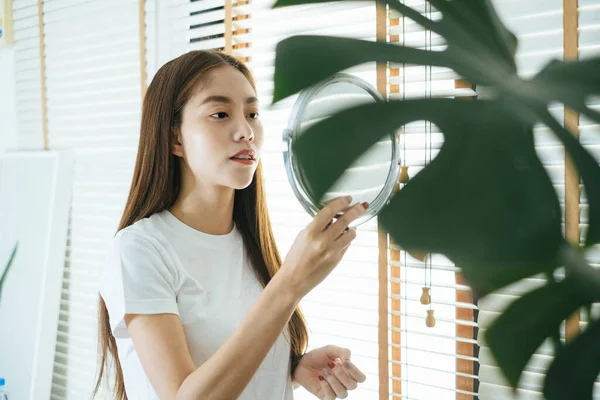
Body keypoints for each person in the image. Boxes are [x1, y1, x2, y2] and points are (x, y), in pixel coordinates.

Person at [94, 50, 368, 400]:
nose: (246, 131)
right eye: (220, 114)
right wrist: (289, 286)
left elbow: (230, 363)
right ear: (175, 138)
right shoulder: (139, 249)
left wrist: (290, 371)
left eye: (252, 114)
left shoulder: (252, 244)